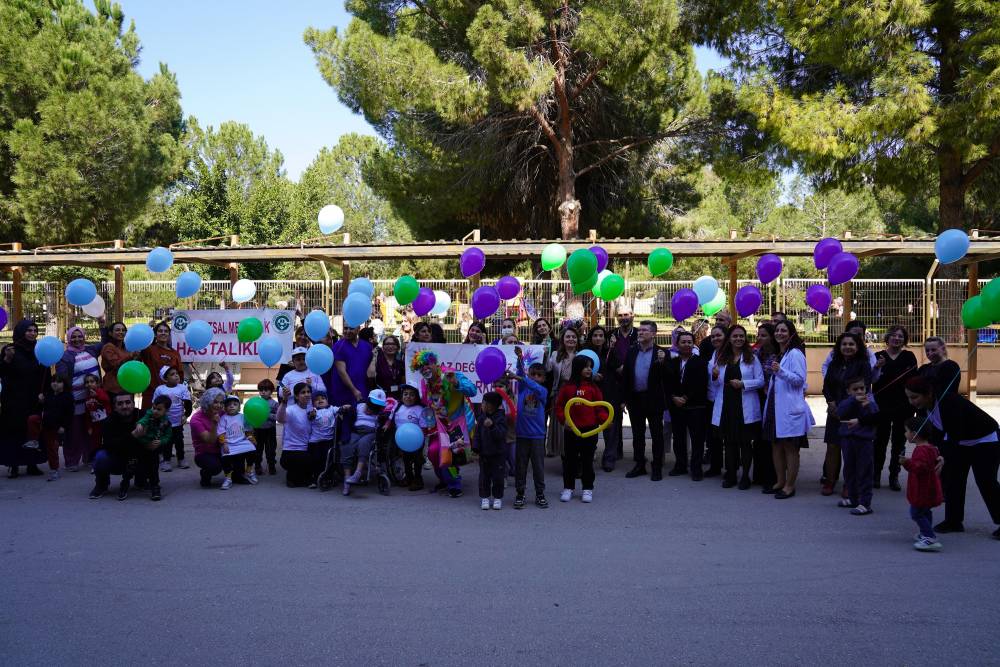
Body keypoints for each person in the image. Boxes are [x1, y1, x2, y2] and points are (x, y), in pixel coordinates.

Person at [904, 376, 1000, 538]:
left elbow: (955, 434)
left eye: (914, 397)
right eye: (908, 397)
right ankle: (954, 521)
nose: (911, 401)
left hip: (985, 439)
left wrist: (942, 456)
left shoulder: (949, 401)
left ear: (928, 393)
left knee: (986, 481)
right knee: (954, 479)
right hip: (960, 441)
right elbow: (932, 434)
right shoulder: (922, 408)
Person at [410, 349, 477, 498]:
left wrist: (456, 382)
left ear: (434, 363)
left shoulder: (451, 375)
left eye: (427, 364)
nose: (424, 368)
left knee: (451, 456)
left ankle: (454, 483)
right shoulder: (424, 382)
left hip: (456, 424)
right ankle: (444, 478)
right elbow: (428, 402)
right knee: (433, 453)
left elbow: (472, 390)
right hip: (438, 425)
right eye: (420, 367)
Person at [762, 320, 812, 499]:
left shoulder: (796, 354)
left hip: (789, 407)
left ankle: (790, 485)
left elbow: (800, 380)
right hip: (775, 406)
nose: (779, 333)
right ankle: (780, 481)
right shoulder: (779, 353)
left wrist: (780, 371)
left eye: (784, 330)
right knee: (776, 446)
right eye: (777, 330)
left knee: (790, 448)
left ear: (791, 334)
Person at [709, 325, 764, 490]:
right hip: (727, 404)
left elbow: (761, 381)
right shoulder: (722, 357)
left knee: (745, 443)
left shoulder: (752, 358)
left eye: (741, 336)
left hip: (744, 405)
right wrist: (715, 376)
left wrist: (744, 384)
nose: (738, 339)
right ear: (729, 338)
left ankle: (745, 476)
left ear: (745, 338)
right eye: (735, 336)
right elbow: (717, 383)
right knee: (729, 443)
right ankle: (731, 474)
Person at [822, 332, 873, 496]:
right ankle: (830, 481)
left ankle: (849, 484)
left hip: (853, 411)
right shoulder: (834, 364)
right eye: (844, 344)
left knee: (851, 450)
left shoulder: (863, 364)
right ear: (839, 346)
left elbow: (863, 389)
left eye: (851, 344)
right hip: (834, 411)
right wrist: (831, 403)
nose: (847, 347)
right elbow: (826, 387)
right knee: (832, 447)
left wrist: (846, 407)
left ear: (857, 347)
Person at [555, 355, 607, 504]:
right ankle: (568, 488)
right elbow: (560, 407)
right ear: (578, 368)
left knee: (587, 461)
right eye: (586, 366)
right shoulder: (567, 388)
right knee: (570, 461)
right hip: (571, 431)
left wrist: (605, 420)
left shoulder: (594, 388)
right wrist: (564, 421)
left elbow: (599, 407)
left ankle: (587, 488)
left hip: (589, 431)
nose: (589, 369)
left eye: (590, 366)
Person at [872, 325, 918, 490]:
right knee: (879, 440)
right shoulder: (877, 356)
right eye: (893, 335)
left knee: (899, 442)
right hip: (881, 405)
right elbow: (871, 379)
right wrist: (877, 366)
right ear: (887, 338)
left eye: (900, 336)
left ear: (904, 340)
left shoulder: (909, 356)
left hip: (903, 405)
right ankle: (876, 474)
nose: (897, 338)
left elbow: (914, 380)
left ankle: (894, 475)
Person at [1, 320, 48, 478]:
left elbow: (45, 375)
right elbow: (2, 372)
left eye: (35, 330)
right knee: (14, 432)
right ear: (21, 332)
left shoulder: (39, 351)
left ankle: (31, 464)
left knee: (32, 431)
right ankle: (13, 465)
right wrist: (7, 359)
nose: (33, 333)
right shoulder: (10, 350)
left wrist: (44, 393)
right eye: (29, 330)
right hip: (13, 400)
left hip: (33, 399)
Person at [623, 321, 669, 480]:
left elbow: (669, 377)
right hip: (635, 399)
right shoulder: (631, 351)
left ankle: (657, 466)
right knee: (638, 434)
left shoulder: (661, 353)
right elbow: (626, 377)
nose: (640, 332)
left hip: (654, 400)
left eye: (644, 330)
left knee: (657, 435)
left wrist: (664, 362)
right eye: (640, 330)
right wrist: (625, 399)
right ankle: (640, 464)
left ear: (653, 334)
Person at [56, 326, 104, 471]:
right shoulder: (64, 356)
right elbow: (63, 377)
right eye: (73, 337)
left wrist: (102, 323)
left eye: (80, 336)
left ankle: (89, 458)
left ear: (84, 337)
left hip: (92, 399)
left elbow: (106, 340)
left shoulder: (91, 350)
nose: (77, 339)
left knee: (91, 430)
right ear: (69, 339)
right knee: (74, 432)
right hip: (75, 400)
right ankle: (71, 461)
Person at [508, 351, 548, 509]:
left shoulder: (542, 391)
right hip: (522, 434)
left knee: (538, 467)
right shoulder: (523, 387)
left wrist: (520, 377)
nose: (535, 378)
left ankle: (540, 494)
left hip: (537, 436)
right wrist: (519, 359)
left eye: (539, 375)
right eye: (533, 374)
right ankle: (520, 493)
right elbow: (520, 374)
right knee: (521, 466)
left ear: (543, 378)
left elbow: (525, 380)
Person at [667, 331, 709, 480]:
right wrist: (673, 397)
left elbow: (700, 383)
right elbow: (667, 383)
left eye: (689, 342)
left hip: (695, 407)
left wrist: (684, 397)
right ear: (677, 344)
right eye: (683, 342)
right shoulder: (672, 362)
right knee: (678, 438)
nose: (686, 344)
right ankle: (680, 465)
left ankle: (696, 468)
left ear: (693, 344)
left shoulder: (701, 362)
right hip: (676, 406)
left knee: (697, 439)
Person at [835, 377, 880, 515]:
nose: (860, 391)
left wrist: (868, 405)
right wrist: (853, 400)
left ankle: (865, 503)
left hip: (864, 441)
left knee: (864, 471)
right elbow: (840, 412)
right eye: (855, 389)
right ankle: (853, 498)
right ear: (848, 391)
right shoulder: (847, 402)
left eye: (862, 388)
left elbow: (875, 417)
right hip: (848, 440)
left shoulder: (870, 401)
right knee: (849, 470)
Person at [900, 417, 944, 552]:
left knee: (916, 513)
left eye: (906, 431)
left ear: (915, 434)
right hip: (929, 487)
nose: (905, 434)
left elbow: (920, 468)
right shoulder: (931, 448)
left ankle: (930, 537)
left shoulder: (921, 450)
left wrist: (906, 462)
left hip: (923, 488)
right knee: (925, 512)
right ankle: (926, 533)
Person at [586, 325, 624, 472]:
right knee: (590, 429)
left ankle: (609, 459)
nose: (598, 338)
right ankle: (588, 457)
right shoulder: (585, 353)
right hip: (590, 396)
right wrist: (591, 375)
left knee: (611, 430)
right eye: (595, 335)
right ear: (591, 337)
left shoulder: (611, 352)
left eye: (601, 335)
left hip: (610, 396)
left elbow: (620, 371)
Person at [91, 392, 141, 501]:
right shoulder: (108, 422)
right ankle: (102, 484)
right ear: (115, 407)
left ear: (133, 404)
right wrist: (132, 435)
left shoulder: (142, 416)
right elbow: (110, 445)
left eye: (128, 402)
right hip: (117, 459)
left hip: (138, 458)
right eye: (120, 403)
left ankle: (142, 480)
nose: (124, 406)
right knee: (101, 457)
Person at [26, 374, 74, 481]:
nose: (55, 384)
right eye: (53, 381)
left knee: (52, 448)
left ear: (64, 384)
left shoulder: (67, 397)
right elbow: (39, 408)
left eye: (58, 381)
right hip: (44, 422)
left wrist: (63, 426)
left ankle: (54, 470)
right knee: (32, 418)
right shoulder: (48, 394)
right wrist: (40, 401)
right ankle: (34, 440)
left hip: (55, 426)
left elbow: (69, 414)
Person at [341, 389, 386, 496]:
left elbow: (385, 420)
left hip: (370, 432)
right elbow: (348, 416)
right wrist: (346, 409)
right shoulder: (359, 406)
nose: (371, 410)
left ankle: (358, 473)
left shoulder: (379, 414)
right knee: (347, 444)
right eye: (370, 406)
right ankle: (347, 478)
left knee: (363, 443)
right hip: (356, 431)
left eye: (375, 408)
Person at [752, 323, 778, 490]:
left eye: (763, 335)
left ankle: (772, 478)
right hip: (757, 399)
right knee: (758, 439)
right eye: (758, 335)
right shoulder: (755, 353)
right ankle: (758, 475)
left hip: (773, 401)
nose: (759, 338)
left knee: (770, 440)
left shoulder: (779, 355)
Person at [545, 327, 579, 457]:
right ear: (563, 339)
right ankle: (565, 455)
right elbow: (548, 368)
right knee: (562, 426)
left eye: (573, 337)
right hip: (560, 394)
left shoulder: (581, 354)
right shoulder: (555, 354)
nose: (571, 339)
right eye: (568, 337)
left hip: (577, 395)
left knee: (576, 424)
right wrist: (545, 355)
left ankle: (576, 455)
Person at [151, 367, 192, 472]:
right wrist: (156, 417)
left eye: (177, 373)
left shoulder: (182, 388)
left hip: (178, 421)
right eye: (172, 374)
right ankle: (166, 460)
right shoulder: (160, 389)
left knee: (179, 441)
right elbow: (155, 405)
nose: (176, 375)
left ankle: (181, 459)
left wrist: (186, 415)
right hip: (165, 421)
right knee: (166, 441)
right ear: (165, 379)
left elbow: (188, 403)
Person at [131, 395, 171, 501]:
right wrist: (140, 424)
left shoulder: (166, 423)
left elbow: (167, 436)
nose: (155, 411)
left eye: (159, 409)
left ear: (166, 410)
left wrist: (161, 442)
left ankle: (155, 487)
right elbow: (143, 420)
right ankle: (140, 481)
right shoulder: (149, 414)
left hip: (154, 447)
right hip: (141, 445)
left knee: (153, 466)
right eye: (154, 408)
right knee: (140, 465)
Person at [277, 383, 315, 488]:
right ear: (297, 396)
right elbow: (280, 419)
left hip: (307, 449)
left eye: (308, 392)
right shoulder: (291, 409)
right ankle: (295, 478)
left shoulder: (312, 409)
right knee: (302, 461)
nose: (307, 394)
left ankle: (299, 478)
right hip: (291, 451)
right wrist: (284, 400)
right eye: (303, 392)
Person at [474, 391, 508, 510]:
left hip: (498, 454)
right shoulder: (481, 417)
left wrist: (493, 426)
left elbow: (501, 434)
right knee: (484, 477)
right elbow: (477, 434)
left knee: (498, 476)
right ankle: (485, 497)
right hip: (484, 454)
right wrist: (476, 447)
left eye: (484, 403)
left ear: (492, 405)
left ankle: (497, 498)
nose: (482, 405)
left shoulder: (501, 417)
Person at [306, 390, 347, 490]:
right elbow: (310, 417)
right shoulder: (314, 410)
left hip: (328, 440)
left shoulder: (331, 409)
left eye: (323, 399)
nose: (320, 401)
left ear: (327, 400)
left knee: (329, 459)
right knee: (316, 460)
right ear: (313, 402)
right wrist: (312, 414)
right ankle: (315, 479)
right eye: (317, 400)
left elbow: (340, 409)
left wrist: (345, 407)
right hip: (315, 441)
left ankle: (328, 477)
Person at [701, 325, 727, 477]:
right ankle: (715, 467)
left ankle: (731, 468)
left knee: (727, 436)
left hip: (725, 401)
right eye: (713, 336)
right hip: (711, 400)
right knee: (713, 437)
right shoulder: (714, 354)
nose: (715, 338)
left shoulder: (731, 355)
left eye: (719, 335)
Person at [217, 395, 258, 489]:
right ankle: (228, 478)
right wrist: (224, 443)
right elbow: (221, 431)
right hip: (229, 444)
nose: (232, 406)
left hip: (242, 442)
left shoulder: (242, 417)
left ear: (239, 407)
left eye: (235, 404)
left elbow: (247, 429)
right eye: (229, 405)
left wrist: (251, 438)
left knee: (253, 450)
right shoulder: (224, 418)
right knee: (225, 457)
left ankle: (249, 470)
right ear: (225, 407)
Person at [139, 320, 183, 410]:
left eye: (166, 331)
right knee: (149, 421)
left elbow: (180, 374)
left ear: (169, 335)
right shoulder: (148, 349)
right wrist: (148, 328)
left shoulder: (175, 353)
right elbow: (139, 344)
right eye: (160, 331)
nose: (163, 333)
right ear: (155, 334)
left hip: (171, 395)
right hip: (151, 393)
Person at [328, 325, 374, 409]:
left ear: (358, 329)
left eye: (351, 328)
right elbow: (341, 371)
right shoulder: (338, 346)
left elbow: (370, 368)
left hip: (362, 390)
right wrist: (354, 390)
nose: (348, 331)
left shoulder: (367, 346)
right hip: (344, 392)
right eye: (345, 328)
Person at [391, 384, 426, 491]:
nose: (408, 397)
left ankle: (418, 479)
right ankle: (409, 477)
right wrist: (386, 425)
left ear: (416, 397)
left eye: (412, 395)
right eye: (405, 394)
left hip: (416, 440)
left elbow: (424, 426)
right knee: (405, 459)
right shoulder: (397, 407)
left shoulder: (420, 409)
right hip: (402, 440)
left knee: (417, 459)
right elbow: (390, 419)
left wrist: (422, 438)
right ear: (402, 396)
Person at [190, 388, 225, 488]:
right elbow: (210, 440)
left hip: (221, 449)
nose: (219, 405)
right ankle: (205, 474)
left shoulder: (222, 413)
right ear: (207, 402)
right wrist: (214, 423)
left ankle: (235, 476)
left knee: (238, 456)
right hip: (204, 453)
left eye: (221, 402)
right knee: (215, 467)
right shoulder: (196, 419)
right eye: (215, 402)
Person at [99, 321, 133, 399]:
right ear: (110, 333)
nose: (121, 332)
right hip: (114, 389)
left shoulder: (127, 347)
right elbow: (116, 364)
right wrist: (131, 356)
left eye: (123, 330)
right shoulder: (108, 347)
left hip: (128, 386)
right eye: (117, 330)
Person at [82, 374, 111, 463]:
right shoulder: (87, 398)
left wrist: (97, 396)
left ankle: (108, 459)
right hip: (95, 425)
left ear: (97, 383)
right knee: (96, 443)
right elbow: (87, 414)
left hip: (106, 422)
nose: (89, 384)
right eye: (87, 382)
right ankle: (97, 460)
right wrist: (89, 427)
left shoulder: (101, 392)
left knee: (107, 441)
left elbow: (107, 401)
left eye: (92, 381)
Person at [253, 379, 279, 475]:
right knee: (257, 449)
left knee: (271, 449)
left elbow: (278, 417)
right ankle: (257, 466)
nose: (263, 392)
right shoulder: (256, 402)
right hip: (257, 430)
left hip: (270, 430)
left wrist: (268, 415)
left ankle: (271, 465)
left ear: (271, 391)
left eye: (266, 390)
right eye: (261, 390)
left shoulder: (274, 404)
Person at [369, 334, 405, 399]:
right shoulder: (378, 361)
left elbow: (403, 382)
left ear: (397, 347)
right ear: (383, 347)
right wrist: (374, 357)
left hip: (397, 398)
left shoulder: (400, 363)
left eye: (393, 344)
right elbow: (370, 376)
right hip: (380, 397)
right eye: (387, 344)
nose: (390, 346)